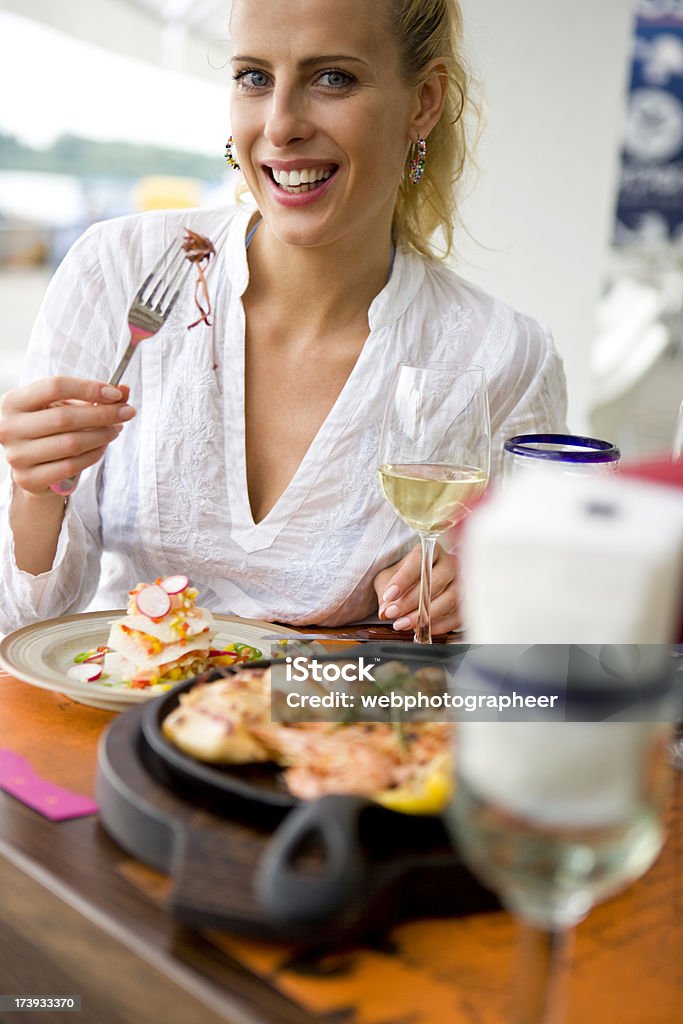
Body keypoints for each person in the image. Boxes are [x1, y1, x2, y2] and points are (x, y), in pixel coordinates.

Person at [0, 0, 566, 638]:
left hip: (331, 722)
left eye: (333, 79)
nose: (281, 124)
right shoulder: (117, 269)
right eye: (254, 78)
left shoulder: (502, 356)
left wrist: (481, 586)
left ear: (423, 102)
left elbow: (535, 631)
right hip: (117, 712)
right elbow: (26, 619)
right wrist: (34, 487)